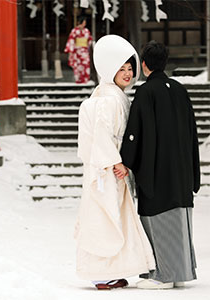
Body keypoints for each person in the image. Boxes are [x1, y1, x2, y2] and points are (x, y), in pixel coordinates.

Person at [118, 40, 201, 289]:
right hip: (180, 170)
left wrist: (126, 161)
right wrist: (193, 170)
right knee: (179, 220)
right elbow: (192, 132)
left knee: (159, 220)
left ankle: (164, 274)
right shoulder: (179, 90)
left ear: (144, 65)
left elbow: (136, 132)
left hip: (157, 172)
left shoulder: (146, 92)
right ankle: (179, 271)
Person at [76, 35, 156, 290]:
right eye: (121, 69)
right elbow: (102, 133)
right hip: (107, 168)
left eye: (130, 68)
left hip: (111, 166)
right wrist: (114, 162)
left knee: (113, 218)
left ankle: (110, 270)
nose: (127, 73)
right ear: (110, 71)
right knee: (105, 218)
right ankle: (100, 273)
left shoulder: (114, 95)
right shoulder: (109, 99)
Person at [64, 16, 92, 84]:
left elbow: (89, 40)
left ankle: (86, 80)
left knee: (86, 65)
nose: (84, 24)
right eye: (84, 22)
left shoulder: (86, 31)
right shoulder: (74, 31)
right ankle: (78, 80)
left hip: (85, 51)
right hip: (77, 51)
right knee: (77, 66)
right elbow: (71, 41)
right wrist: (71, 51)